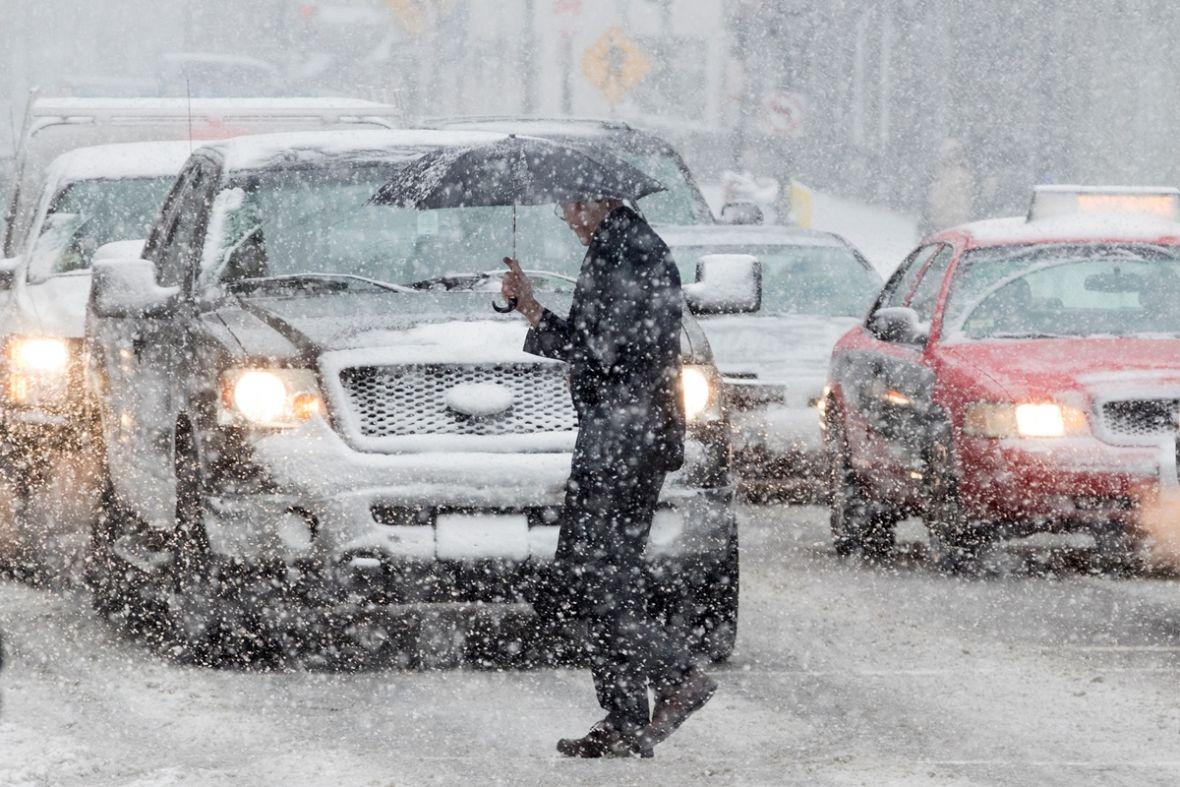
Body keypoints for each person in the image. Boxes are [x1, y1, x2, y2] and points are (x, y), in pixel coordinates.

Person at [500, 197, 717, 758]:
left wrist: (539, 318)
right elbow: (605, 345)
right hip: (621, 436)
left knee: (598, 576)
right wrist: (531, 309)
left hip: (626, 439)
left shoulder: (629, 252)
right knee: (596, 576)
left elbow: (603, 351)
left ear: (603, 200)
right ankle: (624, 718)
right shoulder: (618, 247)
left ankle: (676, 678)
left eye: (572, 206)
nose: (567, 218)